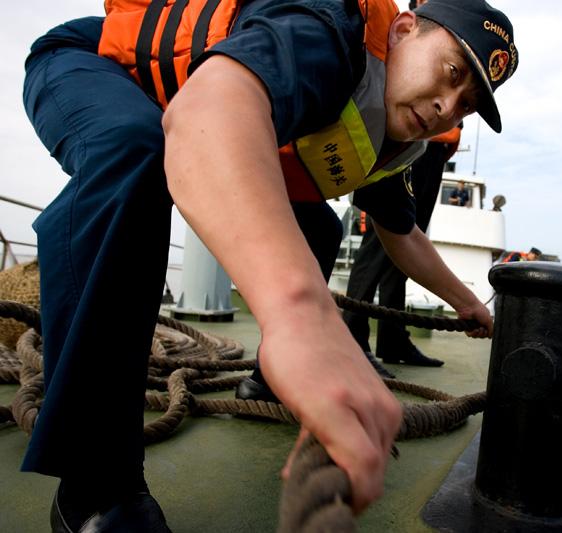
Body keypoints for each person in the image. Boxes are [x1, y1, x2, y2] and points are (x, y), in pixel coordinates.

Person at [21, 0, 518, 530]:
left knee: (321, 226)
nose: (446, 105)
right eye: (450, 73)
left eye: (464, 105)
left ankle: (266, 381)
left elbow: (403, 236)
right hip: (91, 64)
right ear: (401, 30)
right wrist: (300, 320)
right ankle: (97, 481)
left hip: (172, 106)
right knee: (135, 149)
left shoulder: (390, 136)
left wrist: (469, 306)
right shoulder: (328, 29)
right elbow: (208, 111)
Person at [341, 120, 463, 370]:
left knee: (403, 249)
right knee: (379, 243)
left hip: (436, 148)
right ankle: (351, 340)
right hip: (413, 138)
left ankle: (393, 340)